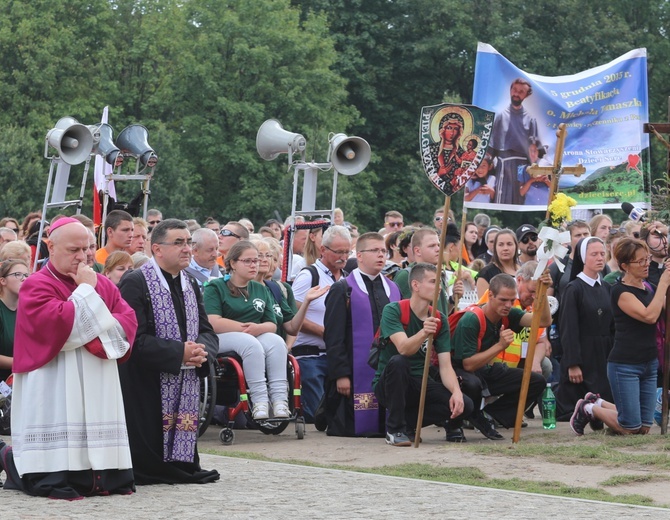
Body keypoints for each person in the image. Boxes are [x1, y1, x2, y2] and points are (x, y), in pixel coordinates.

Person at [0, 217, 137, 499]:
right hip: (53, 376)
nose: (83, 256)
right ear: (51, 247)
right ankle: (33, 469)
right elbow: (58, 328)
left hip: (97, 374)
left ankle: (103, 476)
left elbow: (127, 321)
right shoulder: (35, 284)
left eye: (87, 248)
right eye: (74, 250)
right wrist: (88, 293)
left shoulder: (102, 283)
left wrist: (94, 313)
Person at [118, 219, 220, 485]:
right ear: (157, 249)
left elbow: (207, 331)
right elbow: (132, 339)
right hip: (147, 380)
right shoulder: (136, 282)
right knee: (150, 440)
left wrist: (201, 351)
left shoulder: (190, 283)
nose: (187, 249)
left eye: (189, 242)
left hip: (184, 374)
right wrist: (178, 353)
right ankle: (155, 468)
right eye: (179, 243)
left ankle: (180, 464)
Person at [571, 238, 670, 435]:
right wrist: (663, 284)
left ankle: (598, 401)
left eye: (647, 259)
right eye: (640, 261)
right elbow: (649, 316)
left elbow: (663, 309)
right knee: (629, 428)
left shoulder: (648, 287)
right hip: (625, 365)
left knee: (643, 428)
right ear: (625, 266)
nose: (646, 265)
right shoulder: (619, 291)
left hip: (649, 362)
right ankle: (589, 408)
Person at [374, 263, 473, 446]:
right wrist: (423, 333)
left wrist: (456, 392)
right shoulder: (393, 310)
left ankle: (408, 423)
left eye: (440, 282)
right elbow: (403, 348)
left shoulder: (439, 318)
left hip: (420, 383)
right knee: (399, 362)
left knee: (465, 405)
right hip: (390, 384)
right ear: (415, 285)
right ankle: (395, 430)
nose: (439, 287)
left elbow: (445, 367)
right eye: (433, 282)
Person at [204, 240, 295, 420]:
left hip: (254, 334)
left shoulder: (260, 289)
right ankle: (259, 402)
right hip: (221, 338)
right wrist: (246, 329)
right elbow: (213, 321)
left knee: (277, 341)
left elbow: (272, 324)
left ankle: (280, 401)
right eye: (248, 261)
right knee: (250, 343)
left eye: (256, 260)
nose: (255, 264)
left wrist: (258, 328)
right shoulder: (216, 287)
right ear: (232, 263)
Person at [322, 232, 402, 437]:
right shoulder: (343, 289)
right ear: (359, 255)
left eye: (383, 251)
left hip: (385, 367)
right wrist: (340, 374)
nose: (381, 255)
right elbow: (333, 336)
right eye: (374, 250)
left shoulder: (393, 289)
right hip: (352, 373)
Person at [452, 273, 551, 436]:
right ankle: (465, 416)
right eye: (503, 300)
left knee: (536, 381)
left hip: (484, 370)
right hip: (460, 373)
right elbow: (467, 364)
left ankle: (490, 415)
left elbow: (543, 321)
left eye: (512, 301)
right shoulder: (472, 319)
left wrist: (543, 293)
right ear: (490, 295)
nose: (508, 305)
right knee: (473, 383)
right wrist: (500, 345)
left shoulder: (508, 314)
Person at [291, 225, 351, 422]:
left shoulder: (348, 279)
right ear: (323, 250)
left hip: (337, 358)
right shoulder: (309, 276)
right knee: (318, 415)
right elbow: (293, 316)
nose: (343, 257)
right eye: (338, 252)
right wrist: (327, 332)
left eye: (347, 252)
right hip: (311, 356)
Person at [556, 237, 614, 421]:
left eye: (602, 254)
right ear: (583, 258)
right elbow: (568, 328)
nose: (599, 258)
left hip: (604, 352)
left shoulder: (607, 287)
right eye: (594, 254)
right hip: (583, 351)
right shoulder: (574, 289)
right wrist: (573, 363)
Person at [489, 78, 543, 205]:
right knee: (501, 197)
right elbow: (491, 144)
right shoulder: (500, 116)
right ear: (510, 90)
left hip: (522, 166)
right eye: (515, 90)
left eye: (521, 91)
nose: (517, 94)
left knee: (519, 198)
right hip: (503, 163)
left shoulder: (530, 119)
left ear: (526, 95)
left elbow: (534, 147)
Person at [0, 259, 29, 383]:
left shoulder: (28, 309)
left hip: (23, 378)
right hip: (3, 383)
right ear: (3, 280)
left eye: (26, 275)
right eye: (17, 274)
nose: (23, 278)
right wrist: (21, 363)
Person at [476, 228, 519, 298]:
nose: (505, 248)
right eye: (501, 245)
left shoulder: (523, 271)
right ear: (495, 248)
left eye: (509, 244)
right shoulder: (486, 274)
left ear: (516, 246)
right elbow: (483, 304)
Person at [430, 112, 466, 191]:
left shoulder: (461, 153)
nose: (452, 132)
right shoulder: (432, 149)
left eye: (455, 129)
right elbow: (429, 173)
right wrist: (440, 173)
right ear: (443, 129)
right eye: (449, 128)